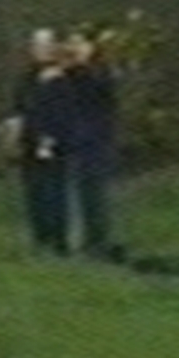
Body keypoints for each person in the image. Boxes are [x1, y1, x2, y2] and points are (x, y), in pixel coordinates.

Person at [7, 28, 76, 256]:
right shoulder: (27, 77)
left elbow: (63, 111)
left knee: (54, 191)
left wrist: (50, 139)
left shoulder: (63, 77)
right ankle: (40, 238)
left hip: (53, 141)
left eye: (46, 45)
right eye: (37, 45)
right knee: (34, 192)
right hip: (29, 141)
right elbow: (19, 106)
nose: (41, 50)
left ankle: (60, 242)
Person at [61, 27, 119, 260]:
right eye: (71, 43)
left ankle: (97, 243)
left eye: (80, 43)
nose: (75, 48)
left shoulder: (101, 73)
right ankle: (80, 242)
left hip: (96, 141)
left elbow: (100, 92)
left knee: (94, 194)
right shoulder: (66, 74)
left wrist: (82, 65)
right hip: (72, 139)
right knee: (76, 192)